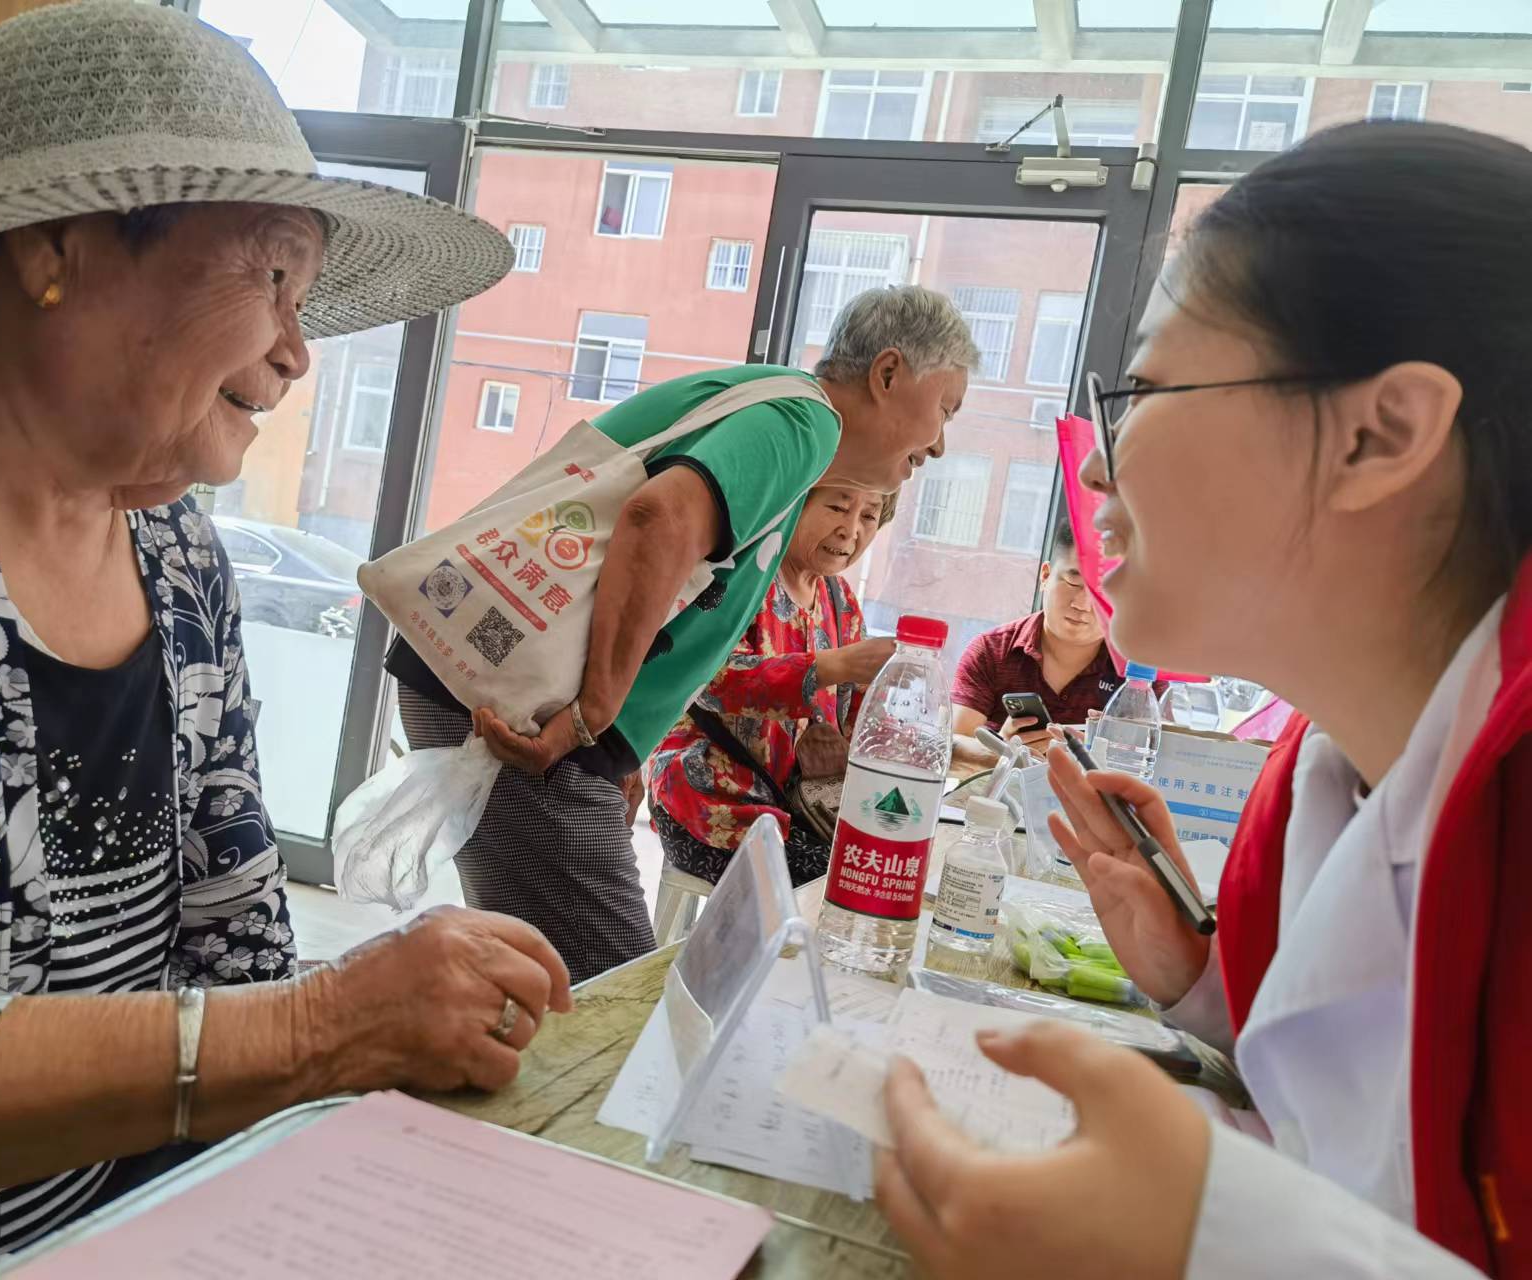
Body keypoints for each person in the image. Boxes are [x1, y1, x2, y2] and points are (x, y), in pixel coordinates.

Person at [0, 7, 572, 1276]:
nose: (296, 352)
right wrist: (322, 1026)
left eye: (306, 296)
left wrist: (355, 1054)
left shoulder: (176, 553)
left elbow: (238, 938)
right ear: (56, 250)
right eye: (271, 276)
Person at [874, 120, 1532, 1278]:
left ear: (1376, 435)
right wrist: (1204, 980)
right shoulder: (1325, 772)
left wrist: (1215, 1239)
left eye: (1142, 390)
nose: (1094, 466)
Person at [392, 286, 978, 981]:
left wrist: (622, 744)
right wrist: (596, 712)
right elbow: (658, 520)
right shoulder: (803, 423)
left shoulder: (781, 413)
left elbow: (668, 594)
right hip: (525, 699)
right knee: (605, 988)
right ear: (888, 374)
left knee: (534, 973)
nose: (940, 443)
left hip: (505, 681)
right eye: (945, 410)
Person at [647, 486, 898, 887]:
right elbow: (707, 679)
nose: (851, 530)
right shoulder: (744, 576)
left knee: (887, 865)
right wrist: (832, 666)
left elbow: (859, 713)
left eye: (868, 516)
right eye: (838, 507)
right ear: (795, 502)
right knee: (843, 881)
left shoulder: (841, 599)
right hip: (713, 800)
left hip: (802, 805)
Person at [950, 511, 1141, 770]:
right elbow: (952, 746)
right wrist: (1003, 751)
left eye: (1103, 591)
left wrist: (1102, 754)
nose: (1082, 604)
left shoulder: (1137, 674)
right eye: (1073, 581)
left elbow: (1156, 760)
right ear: (1045, 575)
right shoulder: (991, 651)